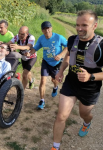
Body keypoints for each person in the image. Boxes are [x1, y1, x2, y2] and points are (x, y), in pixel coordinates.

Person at [51, 10, 103, 150]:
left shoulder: (101, 45)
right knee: (61, 116)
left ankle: (86, 123)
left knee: (83, 114)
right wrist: (61, 71)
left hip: (90, 88)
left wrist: (90, 76)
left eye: (84, 25)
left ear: (94, 25)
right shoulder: (72, 39)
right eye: (77, 25)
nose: (79, 28)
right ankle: (55, 147)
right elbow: (68, 55)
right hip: (71, 83)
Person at [31, 21, 67, 110]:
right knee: (43, 81)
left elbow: (68, 46)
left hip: (56, 63)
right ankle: (42, 101)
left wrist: (60, 55)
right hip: (46, 62)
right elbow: (35, 48)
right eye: (44, 29)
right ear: (42, 30)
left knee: (54, 80)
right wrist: (29, 53)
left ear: (51, 28)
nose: (47, 31)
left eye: (48, 28)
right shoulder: (41, 38)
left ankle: (55, 87)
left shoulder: (58, 37)